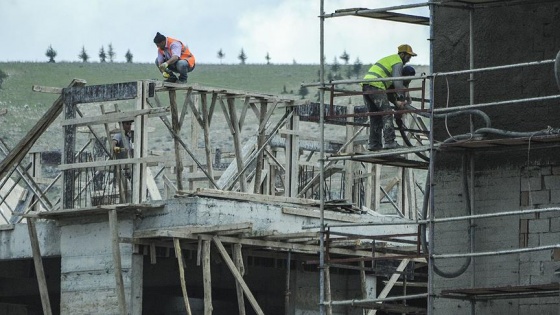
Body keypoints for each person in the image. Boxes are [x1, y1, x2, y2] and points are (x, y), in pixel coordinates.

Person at [362, 44, 417, 150]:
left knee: (376, 115)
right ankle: (389, 142)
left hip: (367, 85)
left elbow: (389, 90)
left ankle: (374, 144)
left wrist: (396, 101)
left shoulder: (390, 61)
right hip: (376, 85)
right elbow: (397, 81)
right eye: (408, 56)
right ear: (402, 54)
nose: (409, 59)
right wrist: (401, 99)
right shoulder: (398, 62)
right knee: (387, 113)